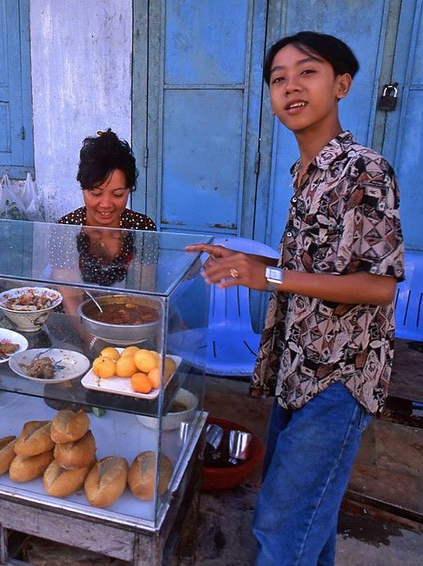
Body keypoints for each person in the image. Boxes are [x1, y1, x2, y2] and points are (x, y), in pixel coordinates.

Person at [186, 32, 404, 565]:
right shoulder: (304, 174)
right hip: (295, 369)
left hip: (339, 376)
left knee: (282, 526)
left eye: (307, 72)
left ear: (342, 84)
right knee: (310, 523)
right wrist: (256, 268)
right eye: (278, 79)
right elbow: (306, 271)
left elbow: (379, 284)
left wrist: (271, 280)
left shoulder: (363, 169)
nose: (290, 87)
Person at [50, 129, 156, 317]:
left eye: (118, 194)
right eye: (96, 193)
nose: (106, 204)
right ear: (83, 189)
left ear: (129, 190)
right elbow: (71, 297)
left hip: (126, 319)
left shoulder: (142, 227)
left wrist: (125, 333)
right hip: (74, 322)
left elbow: (143, 294)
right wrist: (90, 339)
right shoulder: (66, 228)